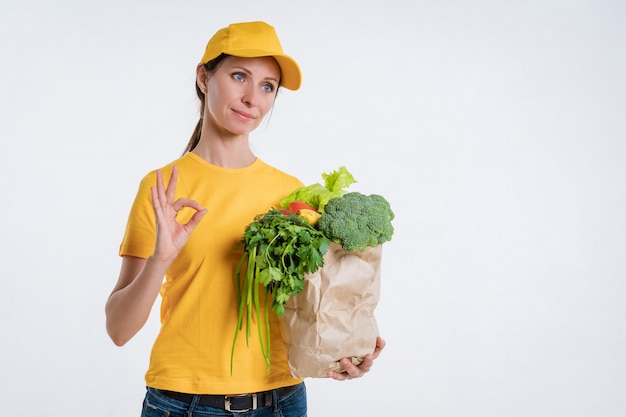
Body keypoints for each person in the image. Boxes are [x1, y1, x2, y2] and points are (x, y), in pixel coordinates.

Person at [105, 21, 385, 417]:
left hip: (281, 400)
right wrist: (160, 260)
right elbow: (118, 330)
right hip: (183, 403)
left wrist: (348, 348)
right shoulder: (163, 187)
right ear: (204, 77)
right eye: (239, 76)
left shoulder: (292, 194)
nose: (252, 98)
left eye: (268, 86)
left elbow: (313, 304)